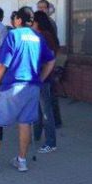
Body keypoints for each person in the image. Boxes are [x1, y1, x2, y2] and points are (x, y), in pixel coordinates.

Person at [0, 7, 55, 172]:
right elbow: (51, 61)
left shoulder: (13, 35)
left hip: (12, 87)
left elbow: (2, 64)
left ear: (18, 20)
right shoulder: (38, 37)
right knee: (25, 123)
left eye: (14, 17)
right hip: (32, 88)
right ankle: (22, 161)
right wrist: (41, 79)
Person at [31, 11, 59, 153]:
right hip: (39, 78)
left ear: (38, 22)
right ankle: (35, 136)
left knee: (46, 111)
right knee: (38, 109)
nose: (31, 24)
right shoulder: (43, 35)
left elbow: (49, 60)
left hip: (44, 79)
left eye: (33, 22)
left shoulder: (45, 36)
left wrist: (41, 78)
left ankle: (50, 142)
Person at [37, 0, 63, 128]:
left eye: (43, 7)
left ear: (48, 9)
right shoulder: (39, 24)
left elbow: (53, 44)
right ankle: (49, 120)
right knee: (47, 94)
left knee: (50, 93)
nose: (41, 9)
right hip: (44, 62)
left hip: (49, 62)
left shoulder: (49, 24)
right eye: (39, 7)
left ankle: (55, 121)